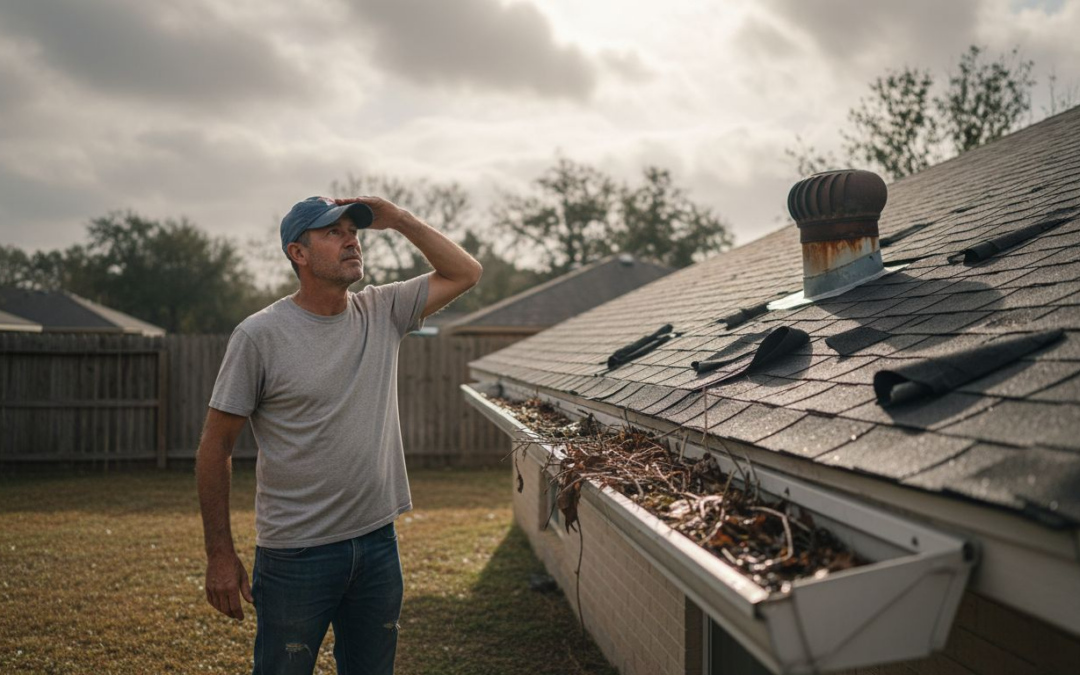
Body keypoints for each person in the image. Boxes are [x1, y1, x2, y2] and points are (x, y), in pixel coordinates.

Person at [195, 195, 482, 674]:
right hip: (295, 555)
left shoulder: (383, 310)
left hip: (377, 543)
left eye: (354, 230)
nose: (351, 239)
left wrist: (400, 219)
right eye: (333, 232)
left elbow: (465, 273)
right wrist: (220, 555)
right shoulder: (259, 336)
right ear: (298, 253)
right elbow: (214, 447)